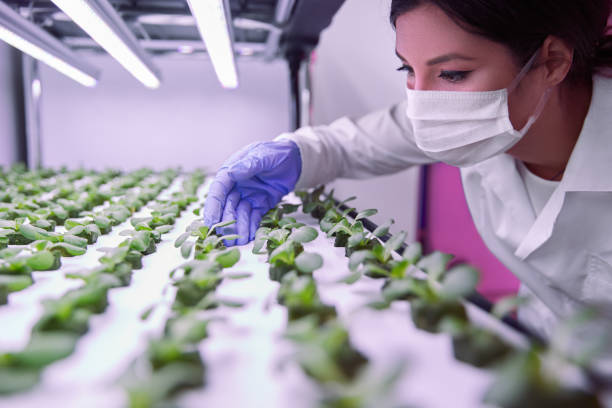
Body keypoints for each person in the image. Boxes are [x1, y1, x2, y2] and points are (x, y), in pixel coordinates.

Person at [203, 0, 612, 340]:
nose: (424, 104)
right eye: (408, 71)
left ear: (552, 62)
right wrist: (293, 152)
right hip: (542, 347)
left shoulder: (490, 117)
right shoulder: (488, 123)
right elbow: (347, 145)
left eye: (452, 73)